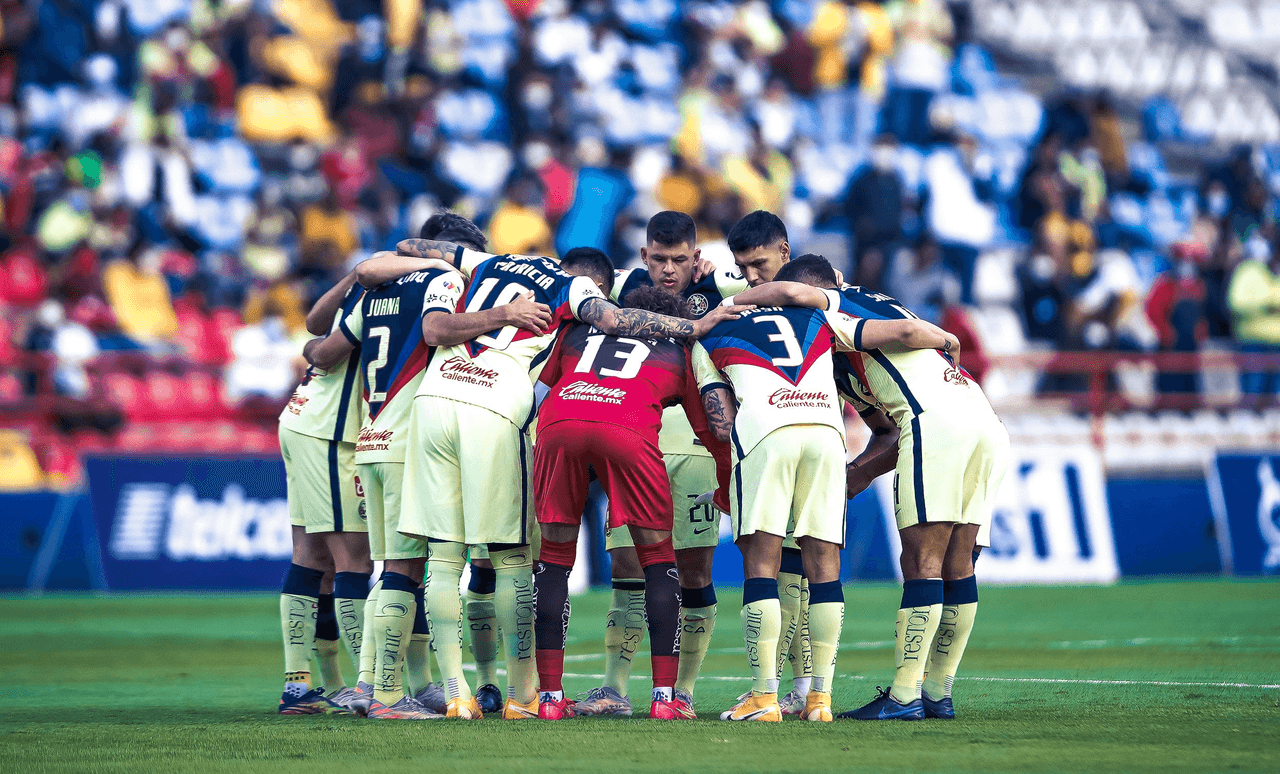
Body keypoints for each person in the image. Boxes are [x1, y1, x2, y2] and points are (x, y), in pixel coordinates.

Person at [355, 234, 742, 719]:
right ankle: (652, 699)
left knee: (467, 559)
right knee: (639, 557)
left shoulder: (491, 266)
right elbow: (709, 422)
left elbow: (399, 257)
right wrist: (693, 327)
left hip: (469, 410)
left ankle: (508, 695)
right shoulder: (578, 294)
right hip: (567, 421)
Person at [739, 255, 1009, 721]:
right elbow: (884, 433)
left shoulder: (837, 306)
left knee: (921, 560)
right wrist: (856, 474)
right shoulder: (856, 340)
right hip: (983, 419)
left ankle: (904, 697)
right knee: (958, 562)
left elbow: (794, 293)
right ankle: (936, 694)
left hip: (933, 421)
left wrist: (727, 308)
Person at [693, 256, 959, 723]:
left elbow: (720, 421)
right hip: (825, 432)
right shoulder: (824, 315)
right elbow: (898, 331)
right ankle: (820, 700)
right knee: (824, 567)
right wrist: (944, 338)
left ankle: (764, 697)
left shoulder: (714, 325)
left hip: (765, 430)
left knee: (761, 564)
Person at [303, 214, 542, 718]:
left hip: (370, 440)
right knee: (409, 571)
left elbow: (324, 347)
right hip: (413, 437)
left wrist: (309, 347)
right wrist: (505, 313)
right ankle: (388, 697)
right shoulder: (446, 281)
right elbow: (439, 333)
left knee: (389, 569)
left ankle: (372, 684)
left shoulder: (377, 288)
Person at [576, 210, 746, 718]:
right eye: (660, 259)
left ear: (696, 256)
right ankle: (613, 688)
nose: (668, 270)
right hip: (634, 443)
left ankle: (685, 690)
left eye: (679, 260)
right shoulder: (621, 288)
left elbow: (780, 280)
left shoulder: (720, 286)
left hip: (696, 450)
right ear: (644, 254)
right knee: (627, 569)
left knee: (693, 573)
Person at [532, 286, 730, 721]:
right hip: (627, 430)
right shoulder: (680, 350)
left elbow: (538, 385)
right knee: (659, 560)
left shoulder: (578, 331)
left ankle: (547, 699)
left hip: (559, 423)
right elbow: (713, 429)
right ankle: (665, 700)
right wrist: (726, 483)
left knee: (553, 560)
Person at [275, 270, 370, 716]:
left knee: (313, 559)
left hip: (301, 419)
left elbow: (314, 330)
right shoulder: (391, 296)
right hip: (330, 432)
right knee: (355, 559)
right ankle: (368, 685)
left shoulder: (364, 291)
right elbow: (323, 347)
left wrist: (354, 277)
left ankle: (306, 687)